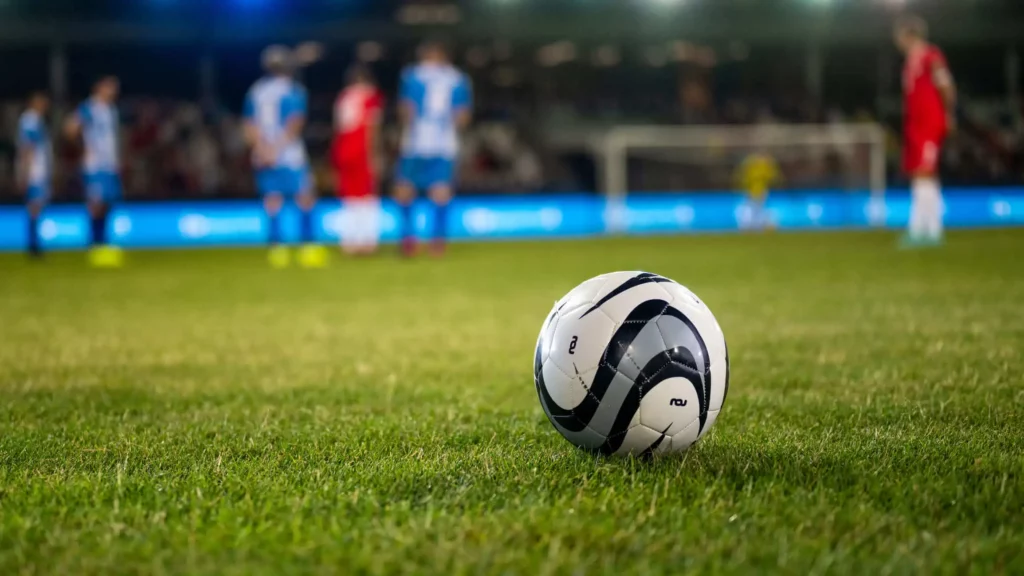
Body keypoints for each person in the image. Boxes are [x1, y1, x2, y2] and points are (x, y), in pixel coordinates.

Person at [243, 45, 325, 268]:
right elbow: (295, 122)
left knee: (272, 200)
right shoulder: (293, 89)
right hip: (289, 154)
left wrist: (262, 148)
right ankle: (308, 247)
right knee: (305, 197)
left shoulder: (256, 91)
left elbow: (249, 124)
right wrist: (276, 148)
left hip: (263, 154)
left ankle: (276, 249)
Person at [394, 40, 472, 257]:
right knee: (441, 191)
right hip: (444, 142)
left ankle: (409, 239)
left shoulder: (413, 74)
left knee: (404, 189)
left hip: (416, 140)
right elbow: (463, 115)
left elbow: (406, 108)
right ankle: (437, 242)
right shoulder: (457, 78)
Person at [894, 14, 956, 247]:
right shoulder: (911, 61)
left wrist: (948, 114)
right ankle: (929, 228)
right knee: (924, 174)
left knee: (923, 172)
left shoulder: (931, 56)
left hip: (929, 122)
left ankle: (923, 229)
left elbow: (946, 85)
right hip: (917, 124)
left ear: (908, 35)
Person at [65, 76, 124, 267]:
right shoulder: (89, 107)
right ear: (99, 88)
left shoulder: (110, 110)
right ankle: (93, 245)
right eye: (110, 88)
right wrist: (82, 149)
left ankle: (103, 244)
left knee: (108, 203)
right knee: (96, 203)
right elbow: (70, 128)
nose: (113, 92)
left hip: (109, 165)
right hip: (94, 165)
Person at [332, 65, 385, 255]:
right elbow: (372, 126)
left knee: (349, 196)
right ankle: (367, 241)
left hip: (343, 149)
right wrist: (374, 154)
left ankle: (349, 242)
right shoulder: (371, 96)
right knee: (368, 195)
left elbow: (338, 126)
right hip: (361, 148)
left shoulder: (343, 97)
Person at [17, 92, 52, 259]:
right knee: (34, 207)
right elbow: (27, 147)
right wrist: (25, 172)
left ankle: (34, 244)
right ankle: (33, 246)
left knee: (37, 207)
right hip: (34, 172)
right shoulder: (30, 119)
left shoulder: (37, 120)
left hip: (39, 170)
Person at [736, 152, 781, 231]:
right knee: (756, 209)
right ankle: (757, 225)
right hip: (756, 191)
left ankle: (755, 225)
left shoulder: (756, 168)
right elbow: (772, 177)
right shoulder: (761, 168)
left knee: (755, 209)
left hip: (757, 191)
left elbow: (745, 179)